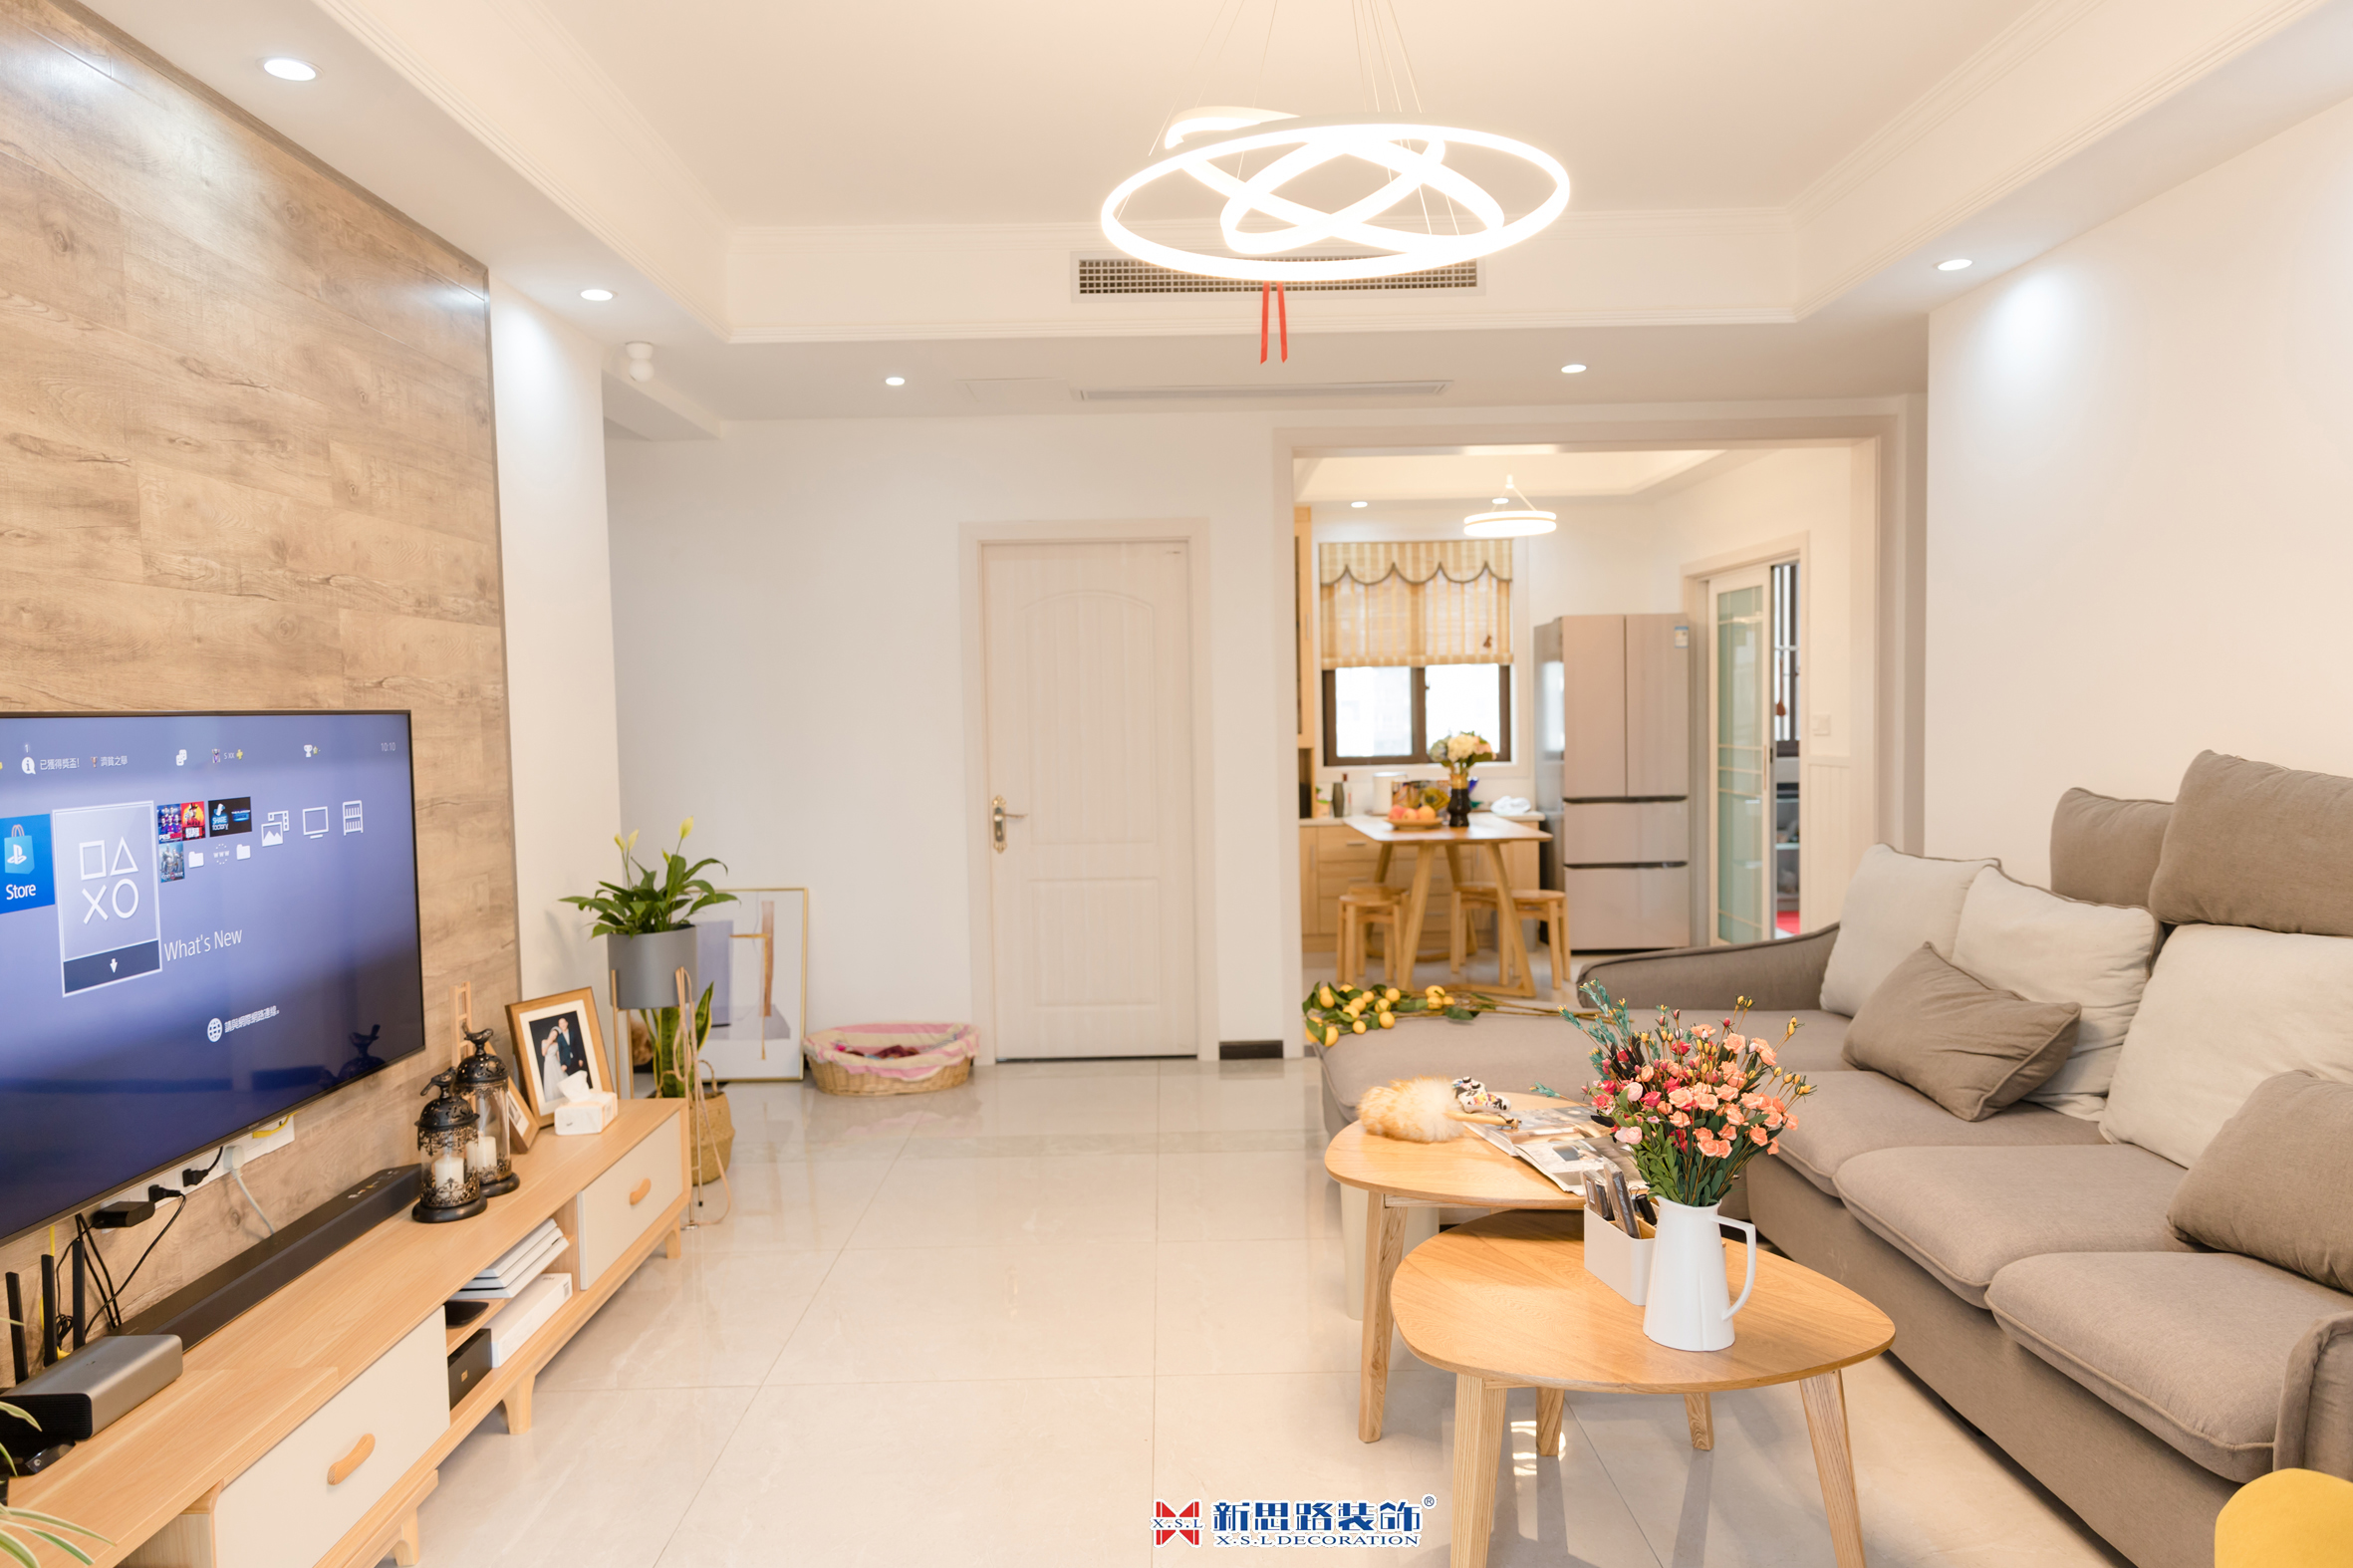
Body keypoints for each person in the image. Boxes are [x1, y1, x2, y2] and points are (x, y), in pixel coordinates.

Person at [537, 1015, 590, 1100]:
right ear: (550, 1032)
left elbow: (559, 1055)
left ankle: (581, 1094)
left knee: (568, 1078)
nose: (553, 1036)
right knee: (551, 1081)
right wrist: (549, 1042)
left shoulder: (557, 1043)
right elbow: (543, 1053)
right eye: (553, 1034)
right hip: (548, 1064)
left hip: (558, 1062)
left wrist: (562, 1064)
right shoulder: (544, 1041)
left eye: (555, 1035)